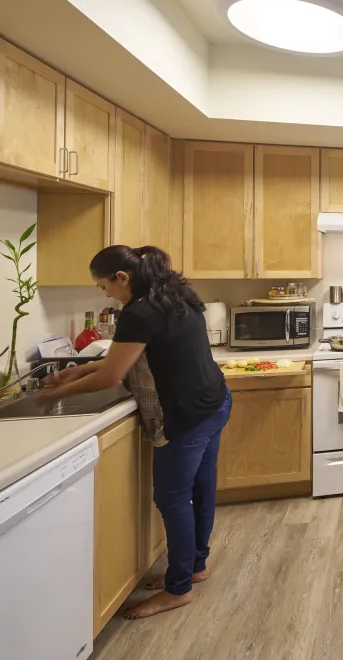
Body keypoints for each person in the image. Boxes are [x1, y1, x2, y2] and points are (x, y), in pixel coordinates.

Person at [40, 246, 230, 619]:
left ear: (122, 278)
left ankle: (178, 589)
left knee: (173, 500)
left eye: (104, 286)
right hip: (215, 402)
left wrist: (55, 395)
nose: (106, 294)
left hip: (186, 415)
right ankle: (194, 566)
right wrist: (74, 372)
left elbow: (112, 375)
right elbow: (122, 358)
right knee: (201, 488)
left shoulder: (139, 311)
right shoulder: (175, 294)